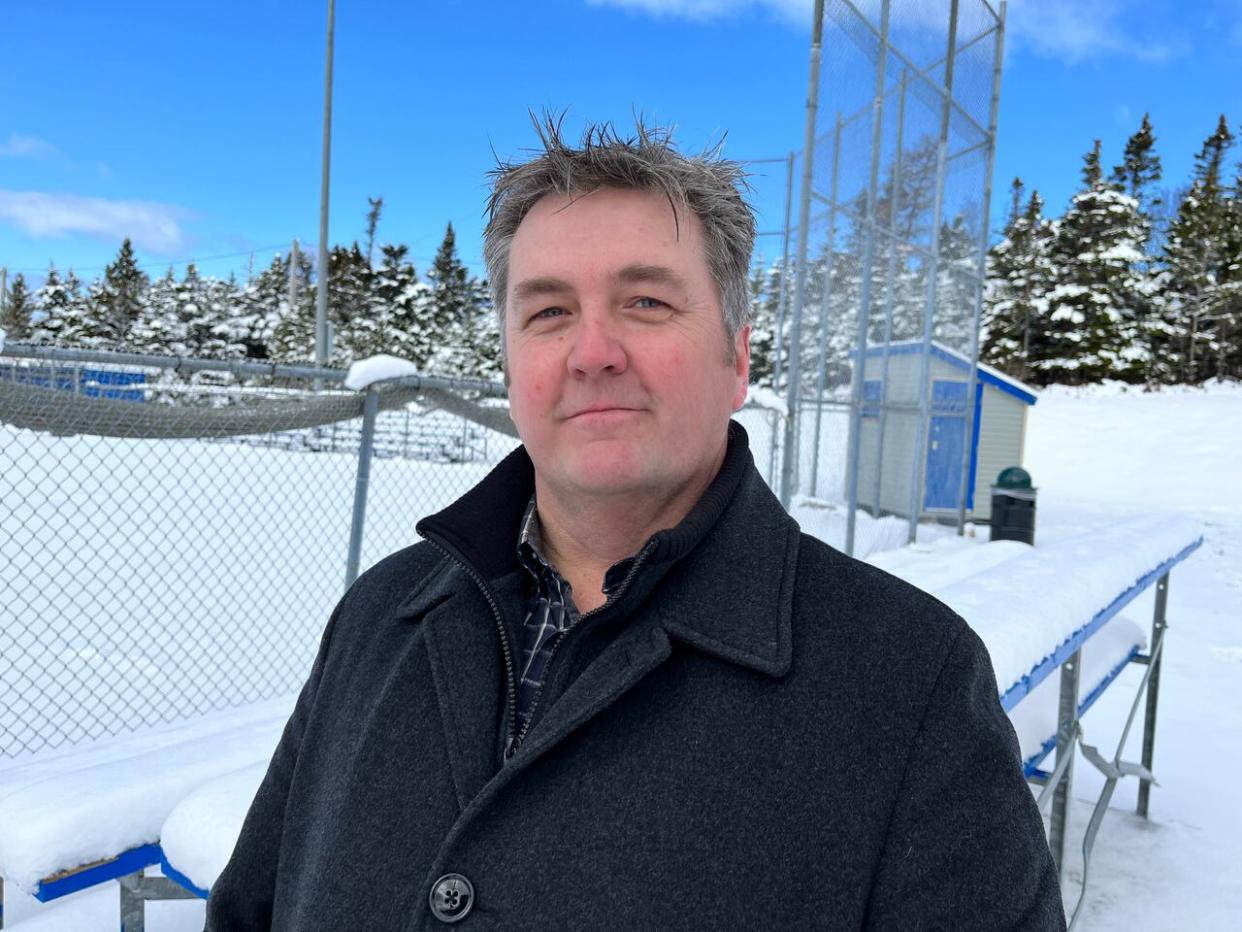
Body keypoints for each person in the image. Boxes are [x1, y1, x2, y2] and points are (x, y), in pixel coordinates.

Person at [207, 119, 1065, 930]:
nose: (593, 351)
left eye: (647, 302)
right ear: (510, 363)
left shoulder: (909, 681)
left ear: (737, 358)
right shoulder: (378, 617)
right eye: (548, 311)